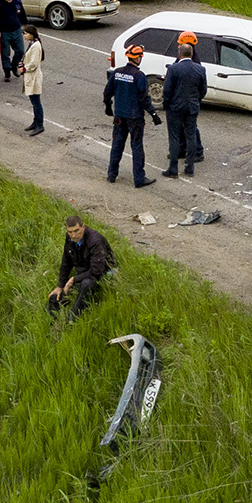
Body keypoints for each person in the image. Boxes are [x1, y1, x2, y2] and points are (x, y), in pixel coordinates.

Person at [104, 45, 161, 187]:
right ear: (137, 57)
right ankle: (139, 179)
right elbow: (144, 99)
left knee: (117, 145)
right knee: (136, 147)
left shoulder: (117, 73)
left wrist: (108, 107)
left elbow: (107, 92)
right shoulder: (139, 76)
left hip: (119, 116)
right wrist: (153, 114)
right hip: (135, 118)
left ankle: (112, 174)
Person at [46, 214, 116, 317]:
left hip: (104, 271)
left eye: (76, 231)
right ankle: (51, 320)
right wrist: (60, 285)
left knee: (86, 284)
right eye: (70, 232)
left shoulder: (95, 240)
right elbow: (66, 261)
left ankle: (73, 317)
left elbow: (96, 271)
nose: (73, 235)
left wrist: (74, 279)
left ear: (83, 227)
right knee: (55, 296)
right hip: (84, 268)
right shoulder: (70, 238)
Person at [160, 42, 207, 177]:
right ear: (191, 54)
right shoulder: (200, 69)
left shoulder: (174, 69)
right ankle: (189, 167)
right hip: (192, 107)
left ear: (179, 54)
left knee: (174, 137)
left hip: (175, 107)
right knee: (191, 135)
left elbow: (167, 90)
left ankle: (173, 169)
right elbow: (203, 90)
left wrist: (167, 103)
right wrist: (196, 101)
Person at [0, 0, 27, 81]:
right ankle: (7, 72)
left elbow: (22, 15)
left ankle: (14, 65)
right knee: (5, 53)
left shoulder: (17, 1)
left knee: (20, 51)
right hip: (5, 32)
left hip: (16, 30)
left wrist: (25, 26)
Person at [21, 25, 45, 135]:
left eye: (26, 33)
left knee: (36, 101)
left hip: (34, 76)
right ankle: (35, 122)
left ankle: (40, 124)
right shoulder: (33, 44)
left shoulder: (36, 45)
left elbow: (34, 63)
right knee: (33, 100)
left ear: (31, 34)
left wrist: (24, 68)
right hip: (31, 75)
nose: (24, 36)